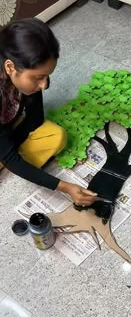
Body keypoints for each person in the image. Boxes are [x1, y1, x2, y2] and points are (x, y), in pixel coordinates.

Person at [0, 18, 96, 206]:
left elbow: (35, 120)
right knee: (12, 159)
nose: (44, 85)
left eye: (47, 76)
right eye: (38, 78)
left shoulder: (26, 77)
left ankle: (10, 160)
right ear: (10, 67)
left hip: (6, 131)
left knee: (56, 136)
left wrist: (10, 147)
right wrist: (65, 187)